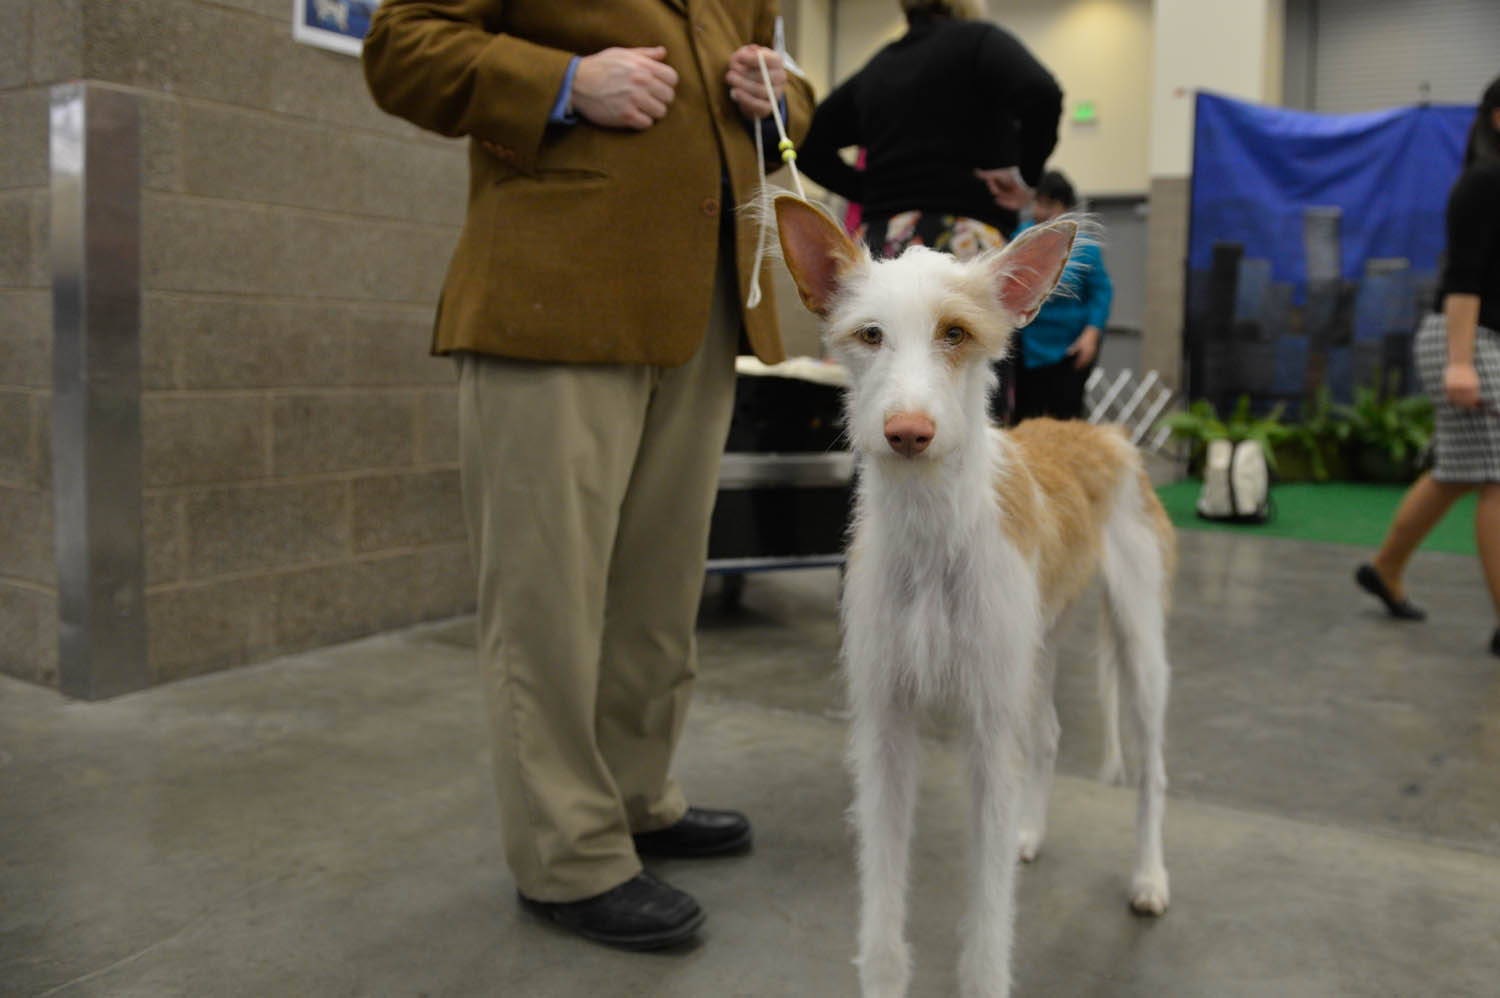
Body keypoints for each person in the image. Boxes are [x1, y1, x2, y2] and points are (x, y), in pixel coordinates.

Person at [362, 2, 815, 950]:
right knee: (547, 599)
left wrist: (783, 96)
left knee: (657, 592)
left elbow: (772, 90)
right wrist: (565, 84)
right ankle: (567, 855)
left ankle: (636, 796)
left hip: (702, 307)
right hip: (552, 298)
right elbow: (401, 49)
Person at [1356, 75, 1500, 655]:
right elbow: (1464, 279)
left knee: (1459, 470)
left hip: (1480, 339)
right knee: (1496, 474)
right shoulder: (1485, 182)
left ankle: (1385, 568)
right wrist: (1460, 364)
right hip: (1464, 338)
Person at [795, 0, 1062, 262]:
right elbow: (1043, 93)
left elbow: (806, 141)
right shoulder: (980, 42)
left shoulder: (877, 69)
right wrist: (1026, 176)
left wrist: (873, 190)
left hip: (881, 244)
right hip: (965, 240)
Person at [1009, 169, 1113, 423]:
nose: (1040, 211)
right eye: (1038, 202)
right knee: (1025, 417)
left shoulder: (1084, 247)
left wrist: (1091, 335)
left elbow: (1102, 291)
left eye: (1049, 204)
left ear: (1064, 207)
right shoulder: (1019, 238)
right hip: (1027, 347)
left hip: (1070, 348)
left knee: (1065, 416)